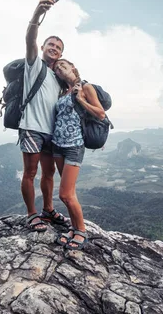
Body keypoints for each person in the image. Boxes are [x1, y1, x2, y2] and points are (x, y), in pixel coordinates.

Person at [20, 0, 70, 232]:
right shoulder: (34, 65)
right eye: (51, 44)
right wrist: (38, 13)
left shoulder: (58, 79)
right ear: (42, 47)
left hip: (51, 131)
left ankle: (48, 209)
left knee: (48, 173)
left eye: (58, 48)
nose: (54, 48)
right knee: (30, 172)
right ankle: (31, 214)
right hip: (31, 126)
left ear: (61, 54)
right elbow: (30, 37)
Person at [51, 59, 106, 250]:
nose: (59, 69)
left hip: (74, 145)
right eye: (57, 68)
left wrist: (81, 99)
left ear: (73, 68)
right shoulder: (61, 92)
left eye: (63, 66)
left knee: (65, 194)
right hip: (57, 146)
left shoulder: (85, 86)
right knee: (70, 193)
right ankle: (74, 229)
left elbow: (100, 113)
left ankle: (81, 230)